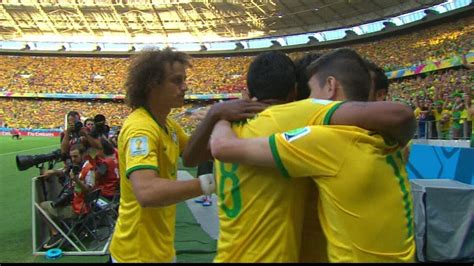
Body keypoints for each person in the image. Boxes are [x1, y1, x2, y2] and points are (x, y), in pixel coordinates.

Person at [210, 49, 416, 262]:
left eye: (309, 92)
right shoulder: (389, 142)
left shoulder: (325, 141)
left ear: (330, 86)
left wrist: (220, 117)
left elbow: (223, 147)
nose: (305, 100)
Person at [109, 48, 265, 263]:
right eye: (176, 80)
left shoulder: (168, 125)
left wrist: (221, 119)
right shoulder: (141, 129)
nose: (185, 86)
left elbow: (195, 155)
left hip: (160, 248)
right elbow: (146, 193)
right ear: (152, 85)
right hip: (137, 254)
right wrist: (211, 183)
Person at [39, 144, 95, 249]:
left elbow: (89, 190)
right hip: (82, 206)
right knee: (54, 204)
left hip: (78, 209)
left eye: (75, 156)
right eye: (71, 157)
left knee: (42, 206)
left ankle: (56, 235)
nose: (73, 159)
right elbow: (64, 172)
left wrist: (76, 180)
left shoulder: (88, 168)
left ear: (83, 155)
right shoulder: (79, 167)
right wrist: (54, 172)